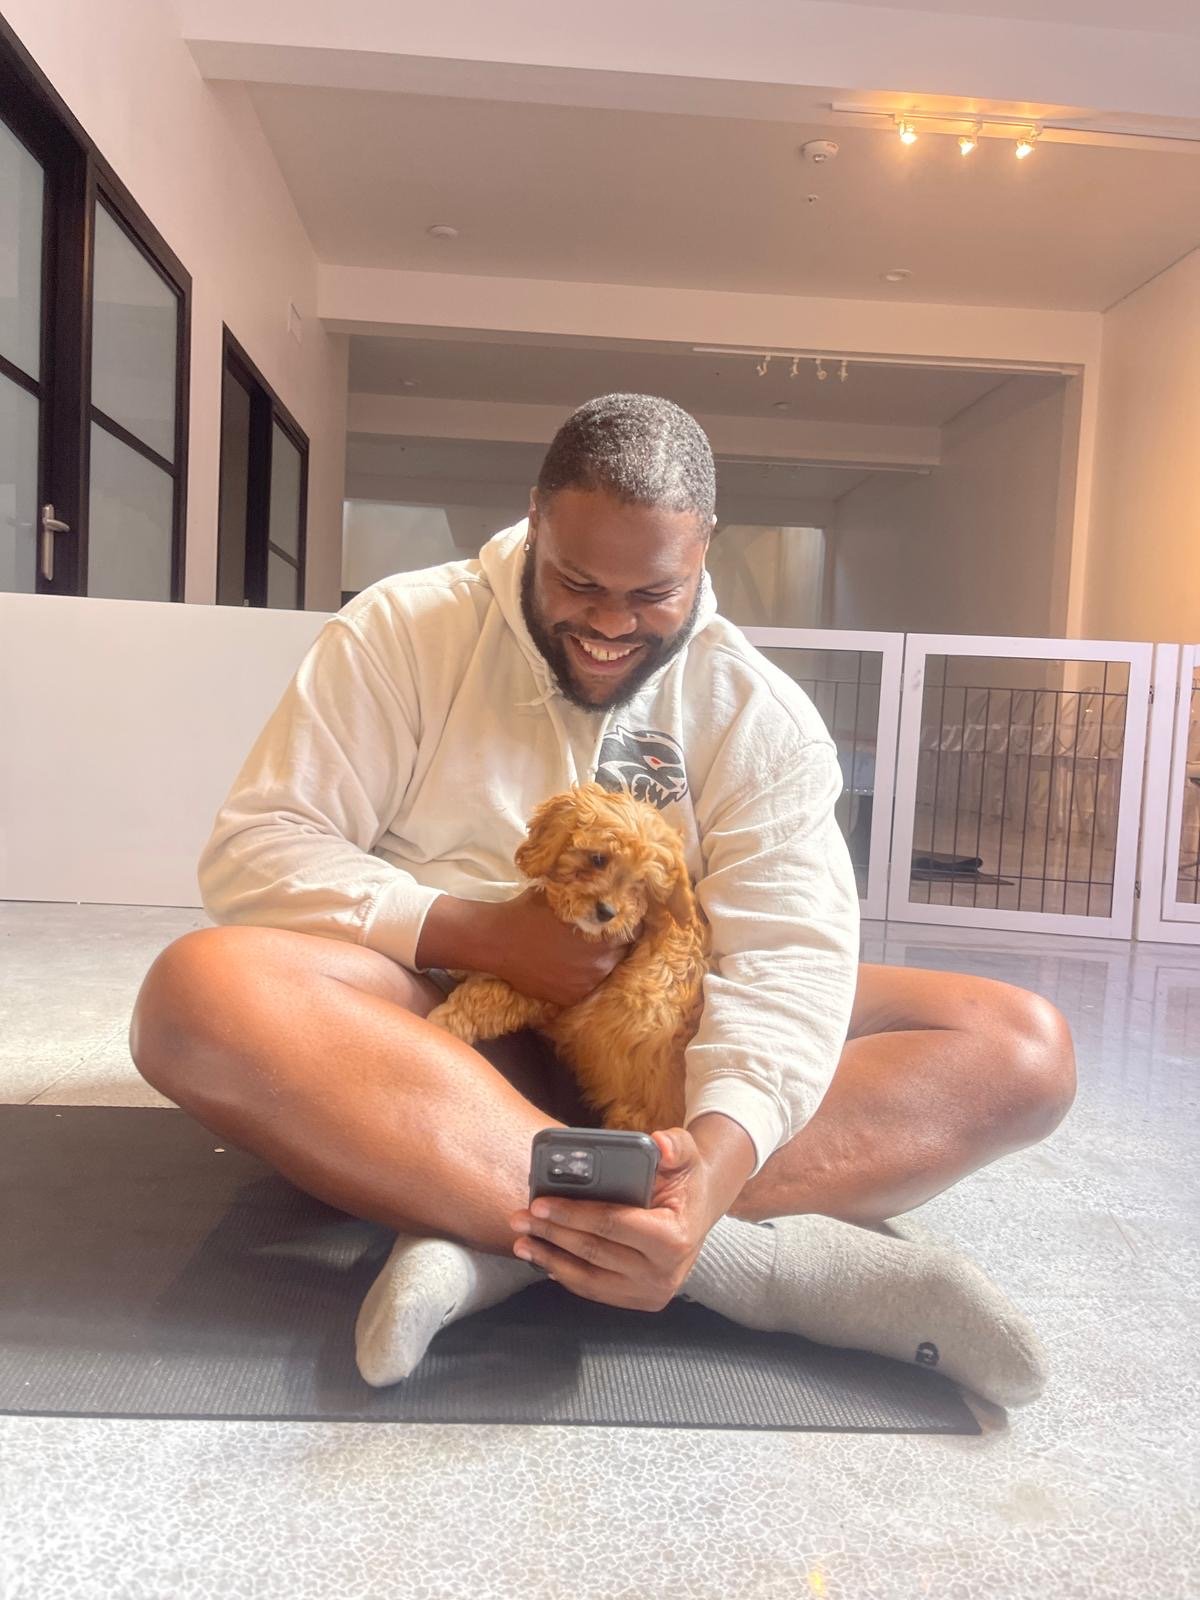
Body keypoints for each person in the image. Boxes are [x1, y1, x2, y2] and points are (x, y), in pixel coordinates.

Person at [129, 394, 1076, 1407]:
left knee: (1018, 1045)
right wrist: (481, 932)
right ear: (536, 520)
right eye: (578, 581)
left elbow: (788, 955)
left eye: (652, 591)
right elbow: (255, 849)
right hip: (443, 1033)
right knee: (196, 995)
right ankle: (746, 1270)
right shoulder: (400, 632)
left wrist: (715, 1157)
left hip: (660, 1056)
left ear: (705, 551)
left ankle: (489, 1228)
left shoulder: (758, 712)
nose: (611, 623)